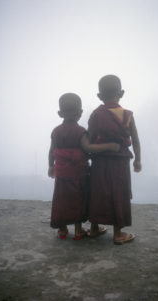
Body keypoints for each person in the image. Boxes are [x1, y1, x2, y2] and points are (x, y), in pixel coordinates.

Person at [48, 93, 120, 240]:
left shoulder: (56, 131)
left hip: (61, 175)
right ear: (80, 113)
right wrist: (110, 146)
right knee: (77, 201)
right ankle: (79, 230)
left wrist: (50, 166)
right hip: (78, 175)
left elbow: (51, 151)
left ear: (60, 113)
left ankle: (62, 230)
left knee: (61, 200)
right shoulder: (80, 131)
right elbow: (88, 148)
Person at [88, 75, 141, 244]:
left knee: (98, 192)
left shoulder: (96, 115)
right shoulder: (127, 115)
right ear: (121, 93)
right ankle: (118, 234)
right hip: (120, 162)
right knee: (119, 193)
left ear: (99, 96)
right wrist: (138, 160)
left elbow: (89, 139)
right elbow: (136, 140)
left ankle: (94, 228)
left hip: (99, 162)